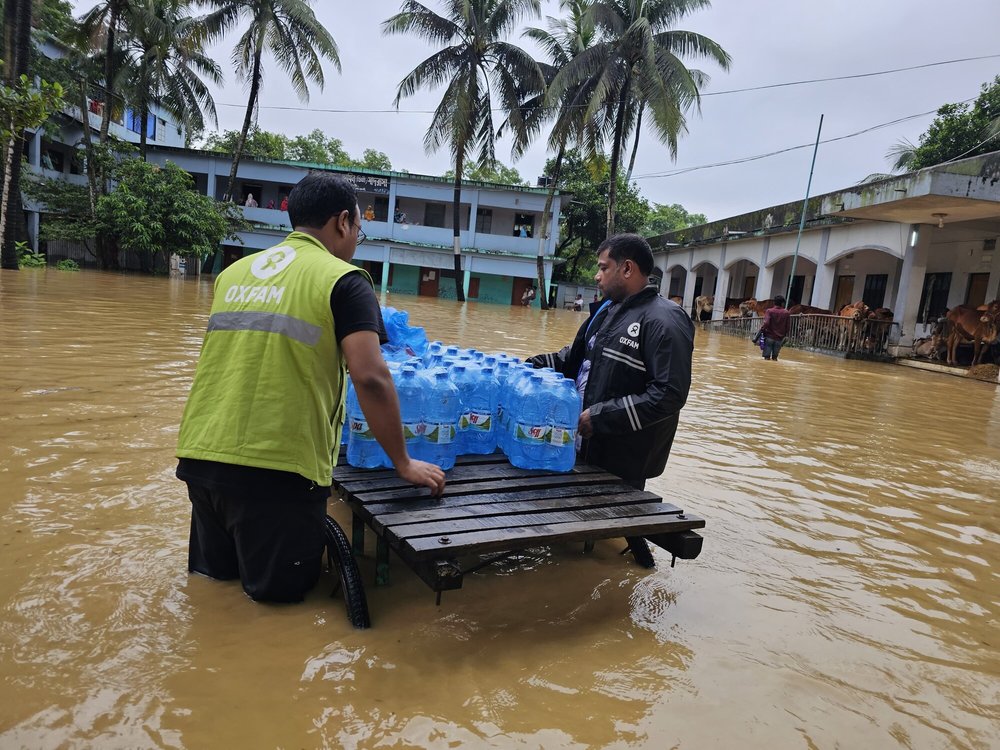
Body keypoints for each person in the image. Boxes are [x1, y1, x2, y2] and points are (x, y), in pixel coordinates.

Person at [176, 173, 445, 603]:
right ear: (342, 222)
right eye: (359, 228)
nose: (357, 239)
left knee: (215, 596)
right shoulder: (344, 279)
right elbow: (371, 376)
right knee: (279, 614)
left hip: (202, 459)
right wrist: (403, 462)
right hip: (277, 472)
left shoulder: (233, 274)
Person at [528, 233, 694, 567]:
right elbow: (574, 359)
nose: (597, 275)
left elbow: (669, 395)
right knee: (573, 533)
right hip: (584, 445)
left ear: (627, 268)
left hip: (624, 456)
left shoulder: (664, 320)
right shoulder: (606, 312)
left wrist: (601, 417)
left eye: (604, 267)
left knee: (609, 529)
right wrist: (528, 366)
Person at [759, 294, 791, 360]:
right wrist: (785, 335)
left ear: (774, 302)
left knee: (766, 358)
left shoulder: (769, 311)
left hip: (769, 337)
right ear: (782, 303)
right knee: (775, 358)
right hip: (779, 339)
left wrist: (762, 329)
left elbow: (766, 323)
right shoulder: (786, 313)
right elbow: (788, 327)